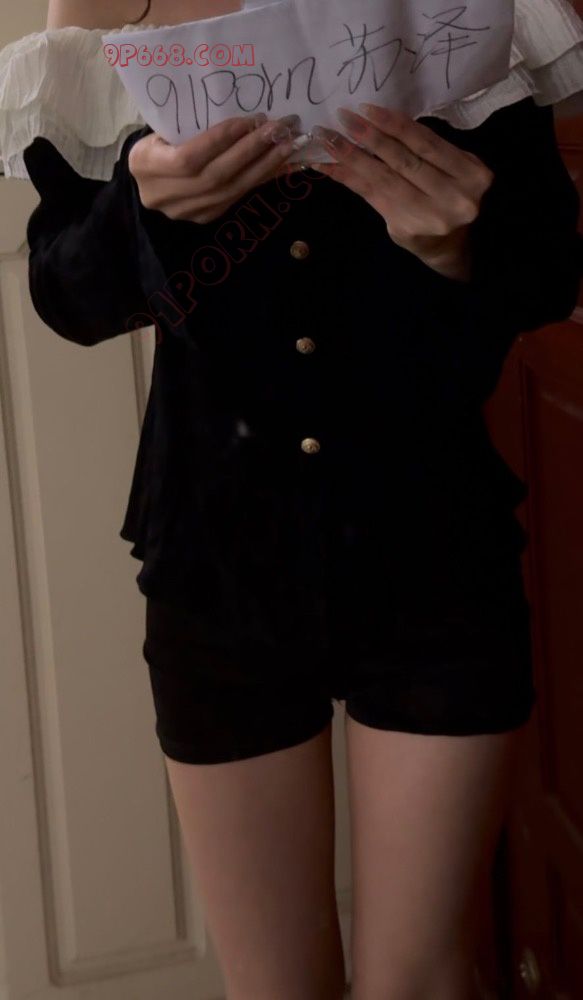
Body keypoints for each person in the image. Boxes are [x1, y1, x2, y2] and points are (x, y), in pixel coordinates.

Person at [1, 1, 582, 997]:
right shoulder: (108, 11)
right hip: (217, 561)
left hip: (435, 551)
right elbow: (69, 298)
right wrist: (146, 211)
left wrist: (456, 246)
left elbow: (545, 274)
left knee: (420, 981)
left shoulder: (474, 6)